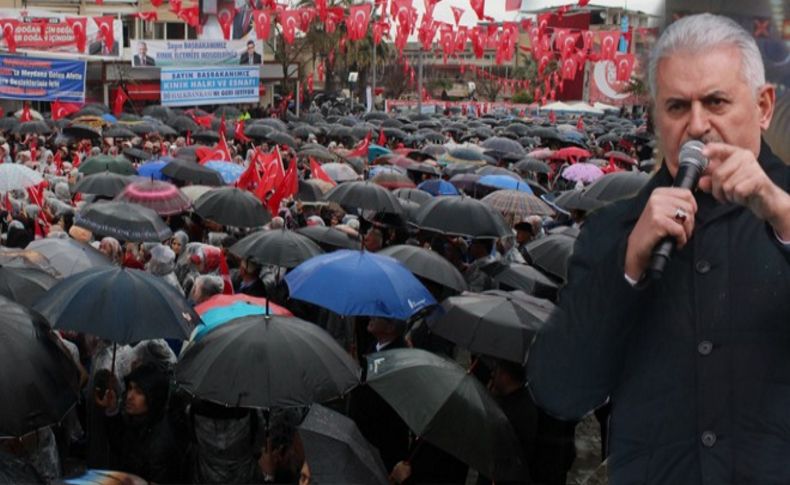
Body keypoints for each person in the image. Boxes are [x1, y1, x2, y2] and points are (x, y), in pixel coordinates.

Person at [527, 13, 790, 483]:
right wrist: (626, 269)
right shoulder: (615, 229)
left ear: (764, 105)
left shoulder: (785, 207)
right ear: (657, 117)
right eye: (676, 107)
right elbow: (558, 390)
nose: (697, 125)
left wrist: (782, 215)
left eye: (716, 102)